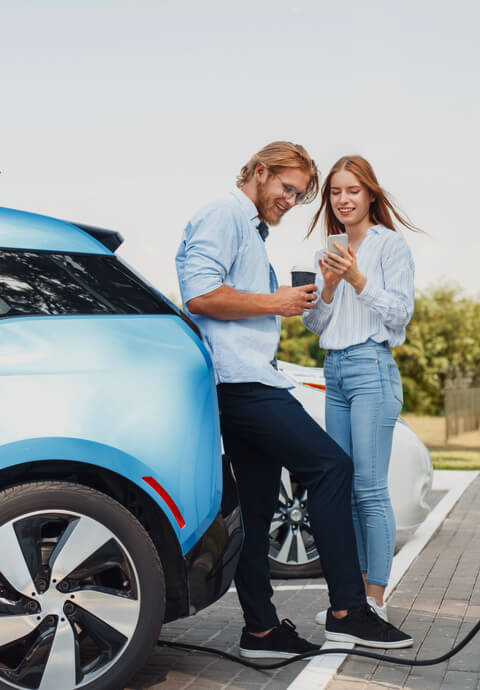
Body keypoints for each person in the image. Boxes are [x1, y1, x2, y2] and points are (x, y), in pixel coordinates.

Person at [175, 142, 413, 658]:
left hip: (249, 379)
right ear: (259, 172)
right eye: (288, 189)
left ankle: (261, 631)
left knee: (258, 508)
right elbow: (198, 295)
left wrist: (296, 296)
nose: (292, 200)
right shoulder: (224, 214)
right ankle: (349, 612)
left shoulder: (251, 231)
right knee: (332, 469)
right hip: (244, 383)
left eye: (302, 194)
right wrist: (278, 300)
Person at [302, 155, 416, 635]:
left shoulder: (390, 246)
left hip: (372, 368)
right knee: (342, 488)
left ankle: (375, 600)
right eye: (335, 192)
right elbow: (314, 324)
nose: (343, 200)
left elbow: (400, 314)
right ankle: (349, 602)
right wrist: (327, 287)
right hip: (337, 373)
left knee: (370, 490)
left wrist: (356, 279)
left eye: (353, 190)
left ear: (370, 194)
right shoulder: (326, 252)